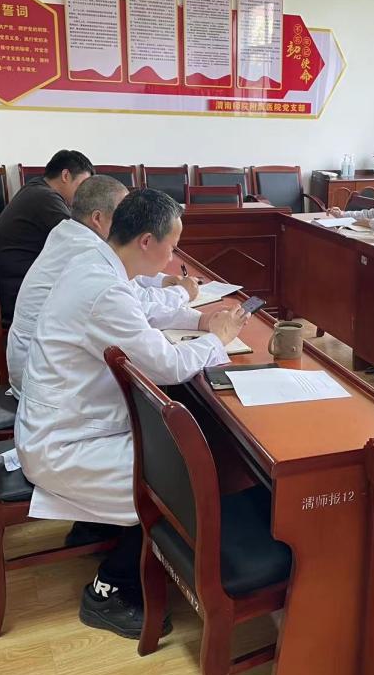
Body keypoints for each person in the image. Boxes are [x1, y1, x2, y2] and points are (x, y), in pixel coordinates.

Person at [14, 188, 249, 639]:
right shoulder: (102, 287)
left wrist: (199, 322)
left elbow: (138, 313)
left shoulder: (96, 263)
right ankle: (109, 590)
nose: (174, 257)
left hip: (68, 421)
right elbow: (167, 365)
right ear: (146, 241)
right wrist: (215, 340)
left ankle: (96, 530)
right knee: (175, 478)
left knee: (174, 443)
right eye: (172, 246)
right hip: (64, 443)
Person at [7, 175, 201, 397]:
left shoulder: (75, 237)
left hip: (44, 371)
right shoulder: (87, 253)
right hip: (51, 387)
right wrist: (185, 297)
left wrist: (177, 298)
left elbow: (130, 288)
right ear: (98, 218)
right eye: (122, 214)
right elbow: (166, 364)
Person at [0, 150, 95, 323]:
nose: (83, 194)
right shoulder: (45, 198)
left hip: (13, 286)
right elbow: (81, 239)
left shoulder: (37, 188)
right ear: (66, 175)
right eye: (82, 185)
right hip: (19, 299)